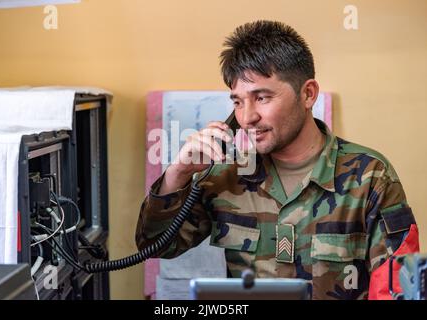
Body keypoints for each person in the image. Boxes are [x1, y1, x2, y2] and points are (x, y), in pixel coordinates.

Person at [135, 20, 419, 300]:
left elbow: (397, 289)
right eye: (237, 101)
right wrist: (178, 174)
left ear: (308, 94)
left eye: (262, 98)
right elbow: (157, 247)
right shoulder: (226, 175)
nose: (247, 117)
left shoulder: (370, 176)